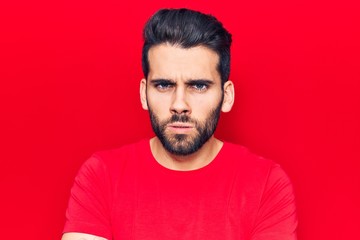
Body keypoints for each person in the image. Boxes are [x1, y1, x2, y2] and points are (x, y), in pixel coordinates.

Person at [62, 8, 297, 240]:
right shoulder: (101, 176)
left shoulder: (266, 184)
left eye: (199, 86)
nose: (179, 104)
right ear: (144, 93)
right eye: (164, 85)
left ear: (227, 96)